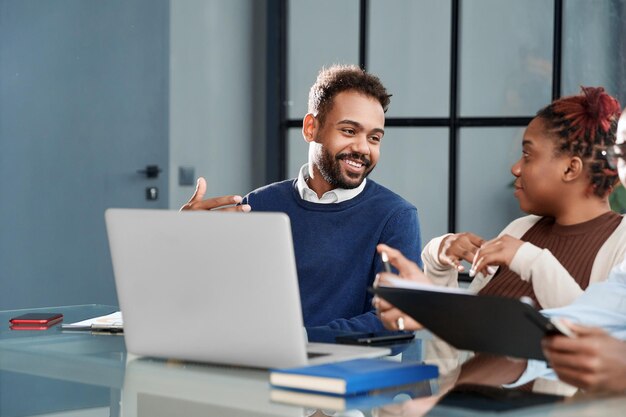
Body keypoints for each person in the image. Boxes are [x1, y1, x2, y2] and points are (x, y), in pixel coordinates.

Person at [182, 64, 422, 340]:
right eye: (348, 131)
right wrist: (187, 243)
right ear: (311, 128)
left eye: (374, 138)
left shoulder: (396, 217)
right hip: (254, 367)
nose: (363, 148)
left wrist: (300, 340)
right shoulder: (260, 203)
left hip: (345, 375)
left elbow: (394, 327)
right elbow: (218, 300)